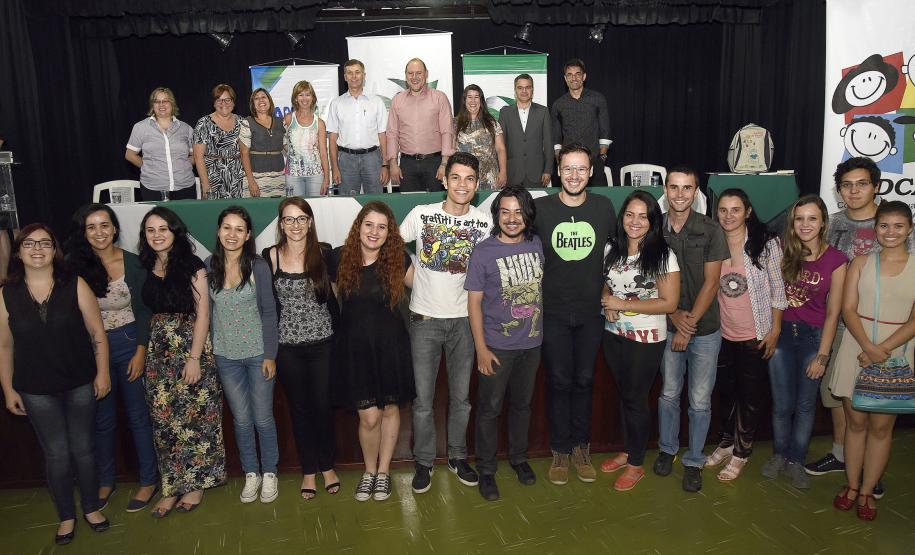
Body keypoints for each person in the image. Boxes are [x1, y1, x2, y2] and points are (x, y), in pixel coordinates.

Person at [807, 157, 913, 497]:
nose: (854, 191)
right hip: (837, 327)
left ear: (876, 187)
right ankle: (842, 457)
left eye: (862, 183)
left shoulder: (893, 221)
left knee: (878, 408)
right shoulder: (831, 224)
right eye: (847, 185)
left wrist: (883, 344)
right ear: (839, 191)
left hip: (888, 335)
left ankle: (870, 470)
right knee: (839, 398)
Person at [0, 223, 111, 545]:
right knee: (57, 454)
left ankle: (91, 508)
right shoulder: (6, 294)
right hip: (34, 388)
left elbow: (98, 334)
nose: (37, 249)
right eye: (29, 244)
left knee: (83, 449)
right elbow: (4, 346)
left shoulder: (74, 284)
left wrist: (103, 373)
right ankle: (66, 516)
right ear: (18, 253)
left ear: (55, 250)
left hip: (79, 381)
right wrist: (8, 389)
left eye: (45, 243)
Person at [400, 151, 492, 494]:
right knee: (423, 401)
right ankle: (424, 461)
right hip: (424, 320)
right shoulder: (421, 214)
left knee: (461, 398)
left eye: (469, 179)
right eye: (456, 177)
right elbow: (390, 247)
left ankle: (457, 456)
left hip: (465, 322)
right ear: (445, 180)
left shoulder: (485, 223)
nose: (462, 185)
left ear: (477, 184)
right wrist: (411, 279)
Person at [65, 204, 159, 512]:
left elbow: (145, 311)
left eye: (104, 225)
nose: (99, 232)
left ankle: (148, 481)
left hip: (130, 343)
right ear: (83, 232)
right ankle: (106, 481)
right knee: (102, 420)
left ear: (115, 228)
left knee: (138, 417)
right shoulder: (72, 266)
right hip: (92, 350)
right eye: (91, 227)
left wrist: (141, 351)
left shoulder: (134, 262)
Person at [534, 143, 616, 485]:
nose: (574, 175)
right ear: (558, 170)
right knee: (558, 381)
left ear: (591, 172)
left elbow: (618, 255)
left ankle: (582, 448)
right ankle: (560, 451)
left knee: (584, 381)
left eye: (581, 169)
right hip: (552, 311)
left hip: (590, 312)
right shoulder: (540, 209)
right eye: (568, 168)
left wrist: (610, 291)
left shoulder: (604, 207)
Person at [830, 201, 915, 521]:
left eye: (898, 226)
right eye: (884, 225)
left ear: (910, 229)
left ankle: (867, 490)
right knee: (855, 424)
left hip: (898, 353)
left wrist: (881, 350)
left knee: (881, 428)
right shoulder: (861, 262)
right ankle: (852, 485)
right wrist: (867, 346)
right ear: (875, 228)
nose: (890, 232)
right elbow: (847, 309)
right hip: (856, 347)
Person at [139, 206, 226, 516]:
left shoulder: (193, 266)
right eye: (150, 230)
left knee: (197, 419)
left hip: (191, 348)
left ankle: (196, 485)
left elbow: (203, 314)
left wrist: (194, 358)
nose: (157, 235)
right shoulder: (145, 265)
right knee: (164, 421)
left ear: (175, 232)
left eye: (163, 229)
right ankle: (172, 487)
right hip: (158, 355)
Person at [761, 195, 847, 489]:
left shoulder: (837, 260)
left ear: (823, 222)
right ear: (792, 222)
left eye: (812, 218)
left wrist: (823, 355)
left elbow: (834, 313)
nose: (805, 224)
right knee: (782, 404)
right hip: (781, 334)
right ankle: (779, 454)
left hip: (814, 338)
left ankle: (796, 459)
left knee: (806, 404)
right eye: (799, 218)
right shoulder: (781, 251)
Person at [331, 201, 415, 502]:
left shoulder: (399, 259)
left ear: (389, 232)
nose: (374, 232)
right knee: (368, 417)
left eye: (382, 227)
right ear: (359, 226)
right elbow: (333, 302)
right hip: (355, 351)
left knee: (390, 410)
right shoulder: (339, 257)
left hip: (392, 347)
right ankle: (369, 471)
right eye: (369, 225)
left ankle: (383, 472)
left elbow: (427, 288)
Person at [465, 185, 544, 501]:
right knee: (489, 410)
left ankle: (519, 458)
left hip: (532, 344)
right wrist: (481, 349)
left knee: (522, 406)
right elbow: (473, 304)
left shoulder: (536, 244)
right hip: (496, 347)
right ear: (496, 215)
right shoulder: (484, 252)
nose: (512, 218)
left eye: (518, 212)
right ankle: (486, 470)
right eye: (505, 212)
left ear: (528, 215)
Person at [653, 166, 728, 493]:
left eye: (687, 188)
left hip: (705, 329)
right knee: (669, 393)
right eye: (674, 187)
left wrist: (688, 326)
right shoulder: (654, 228)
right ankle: (667, 449)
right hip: (668, 324)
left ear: (696, 192)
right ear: (665, 190)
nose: (680, 194)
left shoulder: (711, 230)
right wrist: (673, 317)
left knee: (699, 400)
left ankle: (695, 460)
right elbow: (650, 277)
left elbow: (712, 283)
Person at [599, 191, 680, 492]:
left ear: (653, 221)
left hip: (645, 338)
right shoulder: (612, 248)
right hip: (613, 334)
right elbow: (606, 285)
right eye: (630, 215)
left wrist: (621, 304)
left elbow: (669, 303)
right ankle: (628, 450)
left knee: (635, 398)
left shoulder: (663, 254)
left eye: (643, 216)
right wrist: (607, 301)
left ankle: (636, 463)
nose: (635, 221)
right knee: (625, 395)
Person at [704, 189, 787, 481]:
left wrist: (775, 330)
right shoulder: (713, 241)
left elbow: (779, 290)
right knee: (726, 394)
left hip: (756, 335)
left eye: (736, 209)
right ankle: (727, 443)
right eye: (723, 210)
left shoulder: (766, 244)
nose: (729, 216)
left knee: (749, 398)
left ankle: (742, 452)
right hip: (722, 334)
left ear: (748, 212)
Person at [262, 198, 341, 500]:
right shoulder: (270, 256)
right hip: (287, 349)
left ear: (310, 222)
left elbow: (338, 296)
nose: (295, 225)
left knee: (323, 407)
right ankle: (309, 470)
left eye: (301, 218)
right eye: (289, 219)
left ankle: (327, 466)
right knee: (299, 409)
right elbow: (267, 307)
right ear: (281, 224)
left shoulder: (324, 253)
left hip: (324, 345)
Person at [205, 206, 280, 504]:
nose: (232, 234)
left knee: (262, 418)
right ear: (218, 231)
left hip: (259, 354)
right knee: (241, 420)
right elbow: (207, 313)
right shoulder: (209, 266)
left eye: (239, 229)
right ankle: (251, 473)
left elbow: (269, 312)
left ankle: (270, 472)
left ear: (248, 235)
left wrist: (270, 355)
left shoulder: (258, 266)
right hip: (226, 356)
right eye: (227, 227)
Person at [386, 58, 455, 192]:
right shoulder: (397, 100)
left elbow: (447, 131)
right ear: (406, 76)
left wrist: (444, 163)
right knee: (409, 203)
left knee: (435, 203)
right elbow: (392, 134)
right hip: (407, 165)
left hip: (435, 164)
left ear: (426, 74)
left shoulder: (439, 98)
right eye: (410, 73)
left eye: (418, 73)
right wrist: (393, 164)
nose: (414, 77)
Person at [326, 59, 389, 195]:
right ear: (345, 77)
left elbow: (382, 134)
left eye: (357, 72)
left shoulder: (376, 102)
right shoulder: (336, 104)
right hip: (346, 160)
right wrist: (334, 167)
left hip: (372, 159)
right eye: (349, 73)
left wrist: (385, 165)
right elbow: (332, 138)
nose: (354, 76)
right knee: (348, 202)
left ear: (364, 76)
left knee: (375, 201)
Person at [125, 87, 197, 201]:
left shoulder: (186, 128)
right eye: (157, 101)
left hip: (185, 187)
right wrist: (148, 167)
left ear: (172, 104)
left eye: (165, 101)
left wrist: (184, 165)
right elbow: (130, 155)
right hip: (152, 188)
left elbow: (196, 155)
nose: (161, 104)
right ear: (152, 105)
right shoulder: (140, 127)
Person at [550, 59, 611, 186]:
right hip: (568, 163)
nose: (574, 78)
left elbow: (605, 131)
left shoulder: (598, 99)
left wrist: (601, 158)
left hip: (594, 161)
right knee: (570, 196)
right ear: (565, 78)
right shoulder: (558, 104)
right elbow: (556, 137)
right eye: (569, 75)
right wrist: (559, 160)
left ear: (584, 76)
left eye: (578, 74)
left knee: (596, 196)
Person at [499, 73, 553, 188]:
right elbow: (501, 145)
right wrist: (502, 171)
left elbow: (548, 144)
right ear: (515, 90)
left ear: (532, 89)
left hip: (537, 173)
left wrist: (548, 170)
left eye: (527, 87)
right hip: (512, 173)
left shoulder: (543, 112)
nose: (524, 91)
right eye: (520, 88)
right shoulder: (505, 113)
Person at [193, 84, 246, 199]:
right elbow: (198, 157)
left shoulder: (242, 122)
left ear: (233, 102)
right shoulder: (203, 123)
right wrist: (205, 183)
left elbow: (245, 154)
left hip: (239, 179)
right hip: (212, 179)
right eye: (219, 100)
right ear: (214, 103)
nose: (224, 103)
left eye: (227, 100)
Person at [454, 84, 507, 190]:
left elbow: (500, 149)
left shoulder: (492, 123)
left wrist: (503, 172)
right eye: (469, 97)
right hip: (464, 178)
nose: (473, 101)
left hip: (490, 178)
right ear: (464, 100)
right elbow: (450, 150)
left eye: (476, 97)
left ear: (481, 100)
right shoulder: (455, 123)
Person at [284, 81, 329, 197]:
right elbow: (282, 143)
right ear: (295, 98)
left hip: (315, 175)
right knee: (295, 207)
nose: (305, 98)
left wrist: (327, 178)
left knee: (316, 207)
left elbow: (323, 153)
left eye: (308, 94)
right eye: (301, 95)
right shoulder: (288, 119)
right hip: (293, 175)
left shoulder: (319, 123)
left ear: (312, 98)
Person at [239, 88, 286, 198]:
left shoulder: (281, 122)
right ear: (253, 104)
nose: (261, 100)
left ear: (269, 100)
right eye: (256, 98)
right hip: (256, 177)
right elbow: (244, 154)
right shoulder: (247, 122)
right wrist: (251, 181)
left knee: (278, 207)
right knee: (256, 208)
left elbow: (287, 146)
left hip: (279, 176)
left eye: (263, 97)